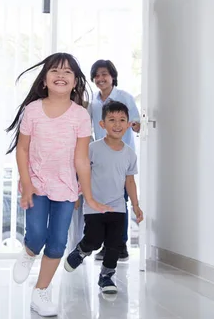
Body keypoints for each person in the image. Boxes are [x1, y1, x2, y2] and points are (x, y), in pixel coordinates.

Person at [6, 52, 111, 317]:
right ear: (44, 80)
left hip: (65, 187)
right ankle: (29, 252)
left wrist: (88, 195)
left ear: (75, 81)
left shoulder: (80, 116)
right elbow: (22, 149)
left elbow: (81, 159)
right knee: (37, 234)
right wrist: (27, 183)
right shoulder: (32, 110)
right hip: (37, 183)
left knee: (56, 244)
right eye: (55, 70)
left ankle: (41, 292)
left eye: (67, 72)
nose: (61, 75)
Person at [64, 100, 144, 295]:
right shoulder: (92, 148)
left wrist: (135, 205)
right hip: (94, 205)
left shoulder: (130, 154)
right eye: (112, 120)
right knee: (94, 239)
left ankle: (106, 276)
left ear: (128, 124)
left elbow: (130, 182)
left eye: (122, 120)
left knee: (114, 244)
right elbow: (80, 172)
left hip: (118, 206)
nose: (117, 124)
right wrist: (75, 194)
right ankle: (82, 250)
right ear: (102, 124)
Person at [88, 59, 140, 261]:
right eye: (97, 75)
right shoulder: (92, 101)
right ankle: (108, 244)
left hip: (120, 155)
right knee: (103, 201)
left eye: (104, 74)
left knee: (121, 201)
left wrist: (136, 126)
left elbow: (136, 121)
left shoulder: (125, 97)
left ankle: (120, 245)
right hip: (100, 157)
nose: (100, 79)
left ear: (112, 76)